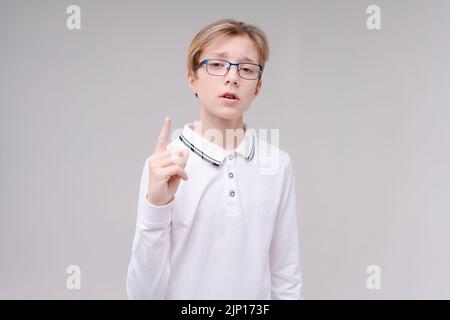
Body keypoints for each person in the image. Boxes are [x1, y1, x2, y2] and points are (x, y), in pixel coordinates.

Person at [126, 18, 302, 299]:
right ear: (192, 78)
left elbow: (286, 274)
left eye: (246, 69)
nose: (232, 77)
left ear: (257, 87)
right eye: (217, 65)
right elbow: (142, 294)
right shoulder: (164, 165)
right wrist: (156, 208)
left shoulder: (277, 164)